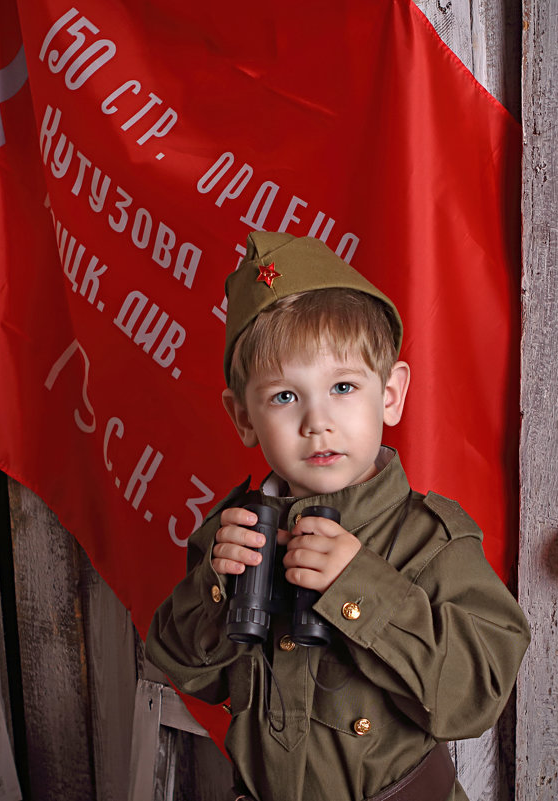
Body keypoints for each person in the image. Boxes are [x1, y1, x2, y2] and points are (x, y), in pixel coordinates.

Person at [145, 232, 530, 801]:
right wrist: (216, 589)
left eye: (343, 386)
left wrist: (360, 587)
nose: (315, 422)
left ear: (391, 393)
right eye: (283, 397)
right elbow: (190, 673)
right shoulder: (235, 531)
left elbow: (475, 698)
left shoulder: (431, 540)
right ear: (242, 417)